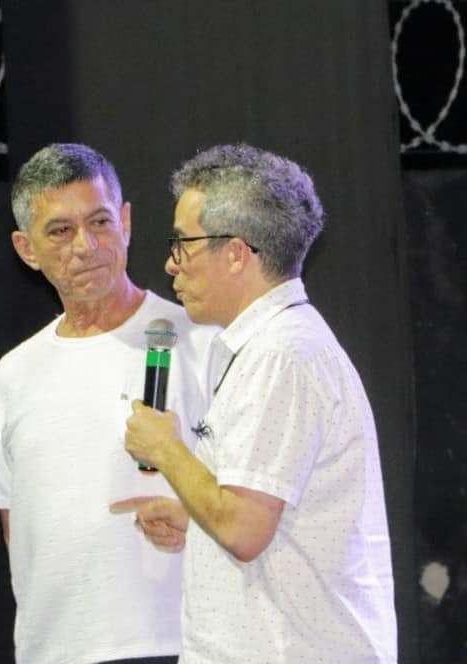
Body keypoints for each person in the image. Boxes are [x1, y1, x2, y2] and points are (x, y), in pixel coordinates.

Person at [117, 143, 398, 662]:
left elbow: (243, 530)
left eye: (181, 243)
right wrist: (196, 517)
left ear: (235, 254)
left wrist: (166, 449)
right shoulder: (275, 345)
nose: (170, 264)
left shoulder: (280, 355)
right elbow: (267, 517)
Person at [0, 143, 215, 664]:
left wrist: (195, 522)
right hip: (55, 650)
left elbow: (255, 500)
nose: (85, 246)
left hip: (180, 641)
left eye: (100, 222)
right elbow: (18, 526)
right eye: (60, 231)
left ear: (126, 222)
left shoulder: (202, 341)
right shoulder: (12, 377)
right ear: (26, 248)